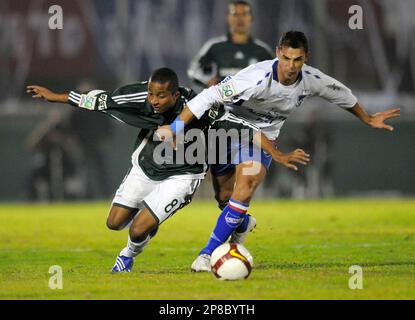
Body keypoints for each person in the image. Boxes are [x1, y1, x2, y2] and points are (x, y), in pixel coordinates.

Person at [157, 31, 401, 272]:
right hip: (227, 130)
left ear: (306, 58)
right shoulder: (255, 78)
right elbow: (208, 96)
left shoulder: (311, 79)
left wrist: (367, 118)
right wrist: (176, 127)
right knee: (224, 198)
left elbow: (340, 93)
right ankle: (241, 226)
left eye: (298, 60)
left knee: (246, 187)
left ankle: (206, 254)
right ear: (277, 54)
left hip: (261, 139)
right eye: (286, 58)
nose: (291, 66)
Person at [27, 67, 308, 273]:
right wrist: (56, 96)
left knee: (137, 230)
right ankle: (153, 218)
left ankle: (127, 255)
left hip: (184, 176)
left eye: (161, 96)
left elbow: (247, 129)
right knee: (114, 222)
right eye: (151, 94)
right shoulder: (139, 96)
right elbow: (97, 100)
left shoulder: (202, 108)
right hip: (146, 167)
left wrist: (277, 154)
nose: (154, 100)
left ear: (175, 95)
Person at [188, 0, 273, 89]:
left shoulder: (263, 50)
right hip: (222, 99)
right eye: (235, 14)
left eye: (244, 14)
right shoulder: (215, 46)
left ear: (251, 17)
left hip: (252, 100)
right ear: (228, 17)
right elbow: (194, 69)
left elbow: (276, 77)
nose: (240, 19)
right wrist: (207, 80)